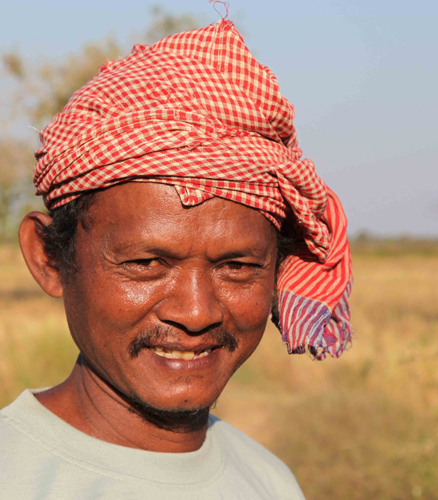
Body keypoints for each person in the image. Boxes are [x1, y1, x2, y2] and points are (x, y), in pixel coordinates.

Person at [0, 18, 352, 499]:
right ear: (49, 258)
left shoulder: (271, 484)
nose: (196, 313)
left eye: (238, 267)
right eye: (146, 263)